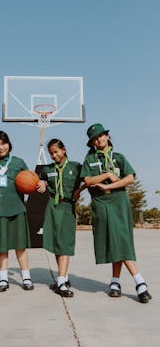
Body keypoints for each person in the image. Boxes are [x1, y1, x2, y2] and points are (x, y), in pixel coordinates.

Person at [80, 123, 152, 303]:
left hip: (119, 202)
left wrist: (109, 185)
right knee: (116, 241)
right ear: (92, 143)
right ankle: (139, 283)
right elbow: (88, 180)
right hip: (102, 203)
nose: (100, 139)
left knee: (121, 240)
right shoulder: (89, 160)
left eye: (102, 135)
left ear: (107, 136)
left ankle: (116, 282)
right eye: (96, 138)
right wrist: (106, 175)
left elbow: (130, 178)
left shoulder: (119, 157)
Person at [0, 131, 34, 292]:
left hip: (16, 208)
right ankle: (3, 279)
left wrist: (38, 184)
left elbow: (30, 182)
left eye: (4, 143)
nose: (1, 147)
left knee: (20, 245)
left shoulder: (18, 162)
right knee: (1, 247)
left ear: (9, 144)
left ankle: (26, 277)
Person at [37, 139, 85, 297]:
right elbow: (38, 180)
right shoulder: (47, 169)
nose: (53, 155)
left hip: (67, 206)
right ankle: (63, 278)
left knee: (65, 243)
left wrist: (80, 190)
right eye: (51, 153)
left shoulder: (76, 167)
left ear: (64, 150)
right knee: (57, 243)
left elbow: (88, 180)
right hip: (52, 205)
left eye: (56, 151)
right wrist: (42, 182)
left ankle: (62, 282)